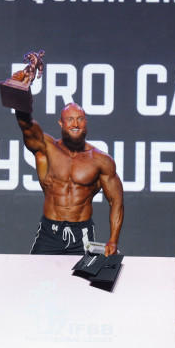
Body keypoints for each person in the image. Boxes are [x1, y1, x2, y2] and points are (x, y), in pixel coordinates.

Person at [15, 102, 124, 256]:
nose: (75, 124)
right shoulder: (47, 148)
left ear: (86, 122)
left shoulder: (101, 160)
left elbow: (116, 201)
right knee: (33, 271)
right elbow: (26, 125)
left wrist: (113, 240)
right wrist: (20, 95)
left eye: (80, 119)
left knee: (85, 273)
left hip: (82, 235)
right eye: (70, 119)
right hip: (49, 233)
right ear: (61, 123)